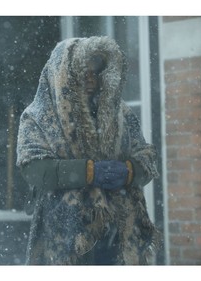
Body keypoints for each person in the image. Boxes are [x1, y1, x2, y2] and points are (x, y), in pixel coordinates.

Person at [16, 36, 162, 265]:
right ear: (66, 72)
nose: (91, 79)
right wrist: (89, 172)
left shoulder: (121, 114)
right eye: (85, 71)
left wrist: (130, 171)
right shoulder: (39, 117)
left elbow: (147, 156)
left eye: (96, 72)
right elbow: (34, 168)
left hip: (121, 232)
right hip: (65, 236)